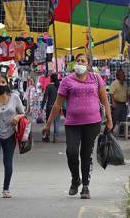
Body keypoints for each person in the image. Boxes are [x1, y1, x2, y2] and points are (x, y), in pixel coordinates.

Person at [42, 53, 113, 199]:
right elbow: (57, 105)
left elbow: (105, 101)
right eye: (77, 60)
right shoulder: (67, 81)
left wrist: (109, 120)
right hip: (72, 123)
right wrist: (48, 125)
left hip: (92, 123)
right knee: (71, 152)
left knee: (86, 154)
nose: (80, 63)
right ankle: (76, 179)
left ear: (88, 64)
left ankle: (85, 186)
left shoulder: (96, 78)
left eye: (83, 61)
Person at [41, 73, 61, 143]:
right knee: (57, 122)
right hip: (57, 106)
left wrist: (41, 107)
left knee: (48, 122)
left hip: (49, 106)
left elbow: (45, 97)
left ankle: (47, 136)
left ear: (51, 79)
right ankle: (55, 137)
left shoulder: (48, 86)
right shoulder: (59, 87)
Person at [110, 69, 129, 134]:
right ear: (118, 76)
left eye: (124, 75)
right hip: (116, 103)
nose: (124, 76)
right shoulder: (114, 83)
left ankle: (121, 132)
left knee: (123, 119)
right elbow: (111, 93)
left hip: (123, 104)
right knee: (114, 118)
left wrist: (127, 101)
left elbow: (128, 93)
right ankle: (110, 131)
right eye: (122, 75)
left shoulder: (125, 84)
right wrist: (113, 102)